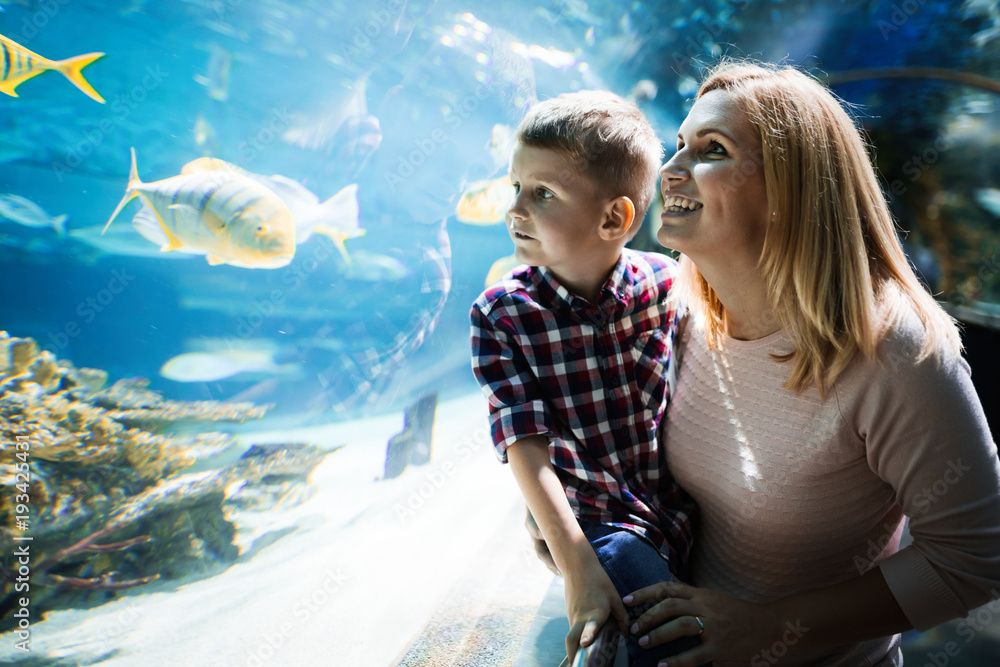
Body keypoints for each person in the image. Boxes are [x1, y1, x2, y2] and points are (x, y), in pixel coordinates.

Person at [613, 60, 1000, 666]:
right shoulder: (668, 308)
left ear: (792, 188)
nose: (670, 170)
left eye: (711, 149)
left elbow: (973, 560)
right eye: (679, 144)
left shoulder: (897, 354)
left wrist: (768, 629)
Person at [469, 90, 700, 666]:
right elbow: (524, 441)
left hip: (681, 511)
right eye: (515, 187)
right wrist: (578, 568)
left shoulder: (666, 283)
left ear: (615, 217)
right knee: (672, 642)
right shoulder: (501, 316)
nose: (516, 209)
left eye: (542, 193)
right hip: (595, 526)